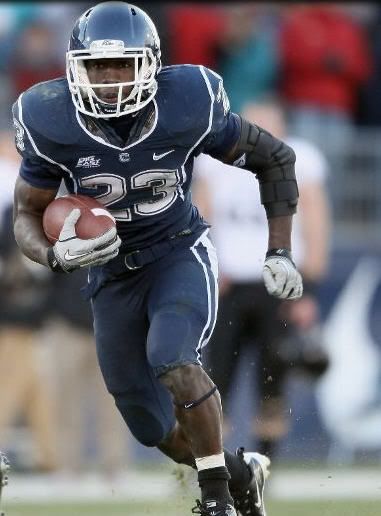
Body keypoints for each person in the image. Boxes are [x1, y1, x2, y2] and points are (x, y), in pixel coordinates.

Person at [11, 3, 303, 515]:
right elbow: (25, 215)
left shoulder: (186, 102)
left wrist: (279, 249)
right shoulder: (49, 117)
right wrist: (57, 256)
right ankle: (240, 473)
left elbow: (273, 157)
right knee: (149, 426)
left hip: (176, 254)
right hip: (110, 276)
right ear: (74, 68)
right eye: (97, 67)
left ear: (150, 64)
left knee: (172, 357)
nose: (109, 80)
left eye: (122, 65)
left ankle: (216, 502)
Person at [192, 100, 331, 460]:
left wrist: (308, 288)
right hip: (231, 282)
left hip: (280, 285)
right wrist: (208, 269)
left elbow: (316, 225)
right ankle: (214, 467)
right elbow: (200, 218)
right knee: (215, 381)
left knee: (273, 383)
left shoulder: (301, 159)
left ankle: (265, 465)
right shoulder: (217, 161)